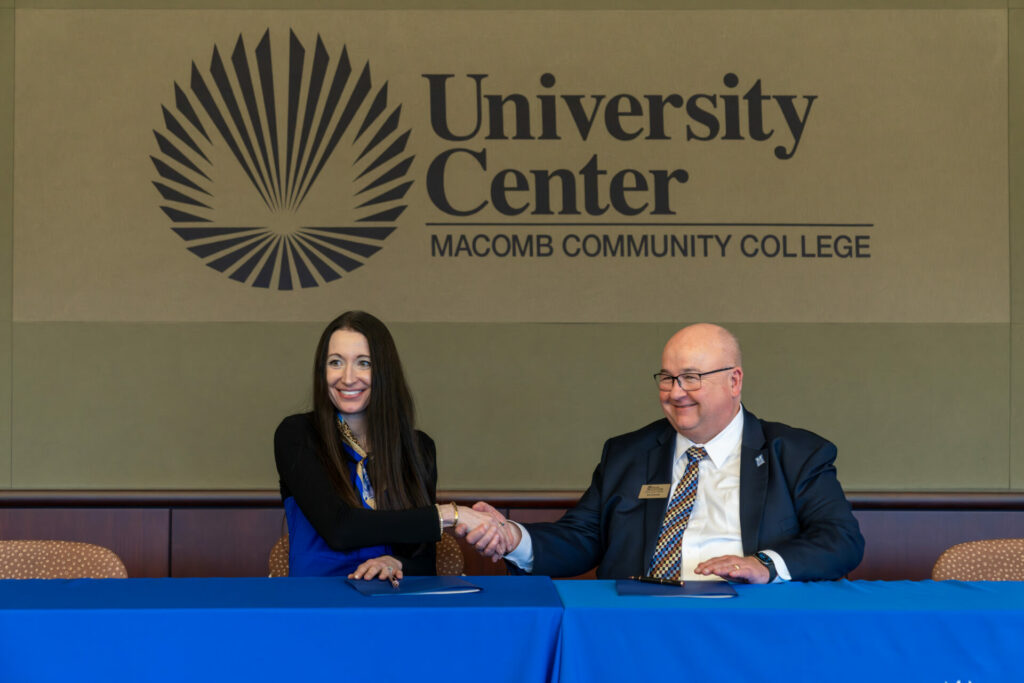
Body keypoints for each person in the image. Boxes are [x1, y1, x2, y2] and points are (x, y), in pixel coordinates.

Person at [464, 323, 865, 583]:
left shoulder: (795, 454)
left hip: (750, 624)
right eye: (667, 378)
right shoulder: (628, 453)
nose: (675, 392)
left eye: (691, 378)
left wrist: (764, 564)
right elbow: (581, 538)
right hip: (637, 627)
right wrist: (513, 536)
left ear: (733, 381)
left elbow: (840, 539)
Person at [274, 311, 499, 581]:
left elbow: (423, 563)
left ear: (384, 371)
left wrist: (396, 562)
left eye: (364, 363)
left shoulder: (418, 447)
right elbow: (340, 528)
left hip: (390, 603)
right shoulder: (297, 434)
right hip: (317, 605)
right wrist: (450, 514)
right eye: (335, 362)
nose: (347, 377)